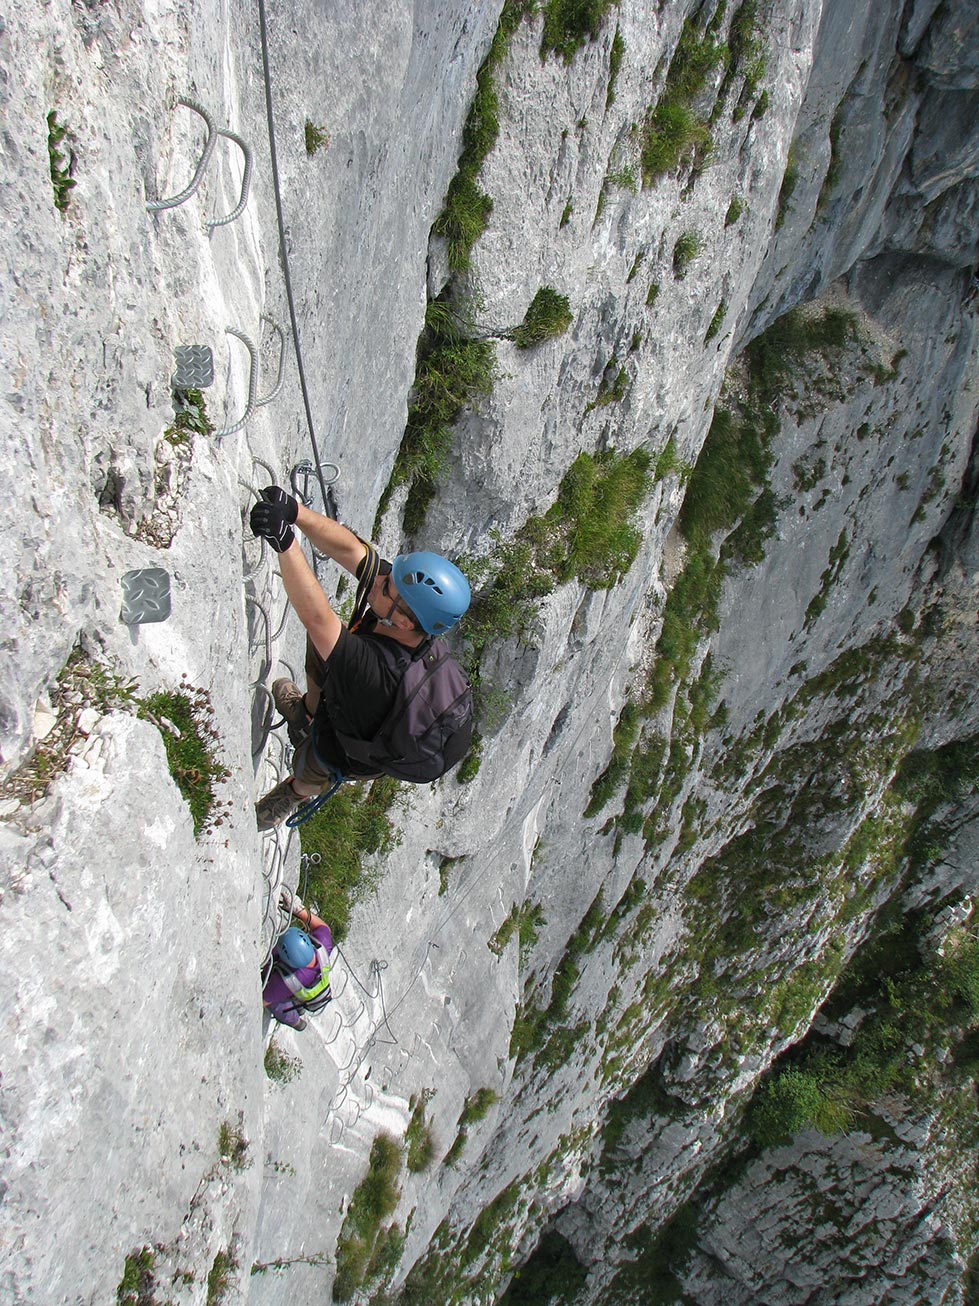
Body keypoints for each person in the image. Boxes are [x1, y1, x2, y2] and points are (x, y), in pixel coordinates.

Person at [249, 486, 471, 829]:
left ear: (403, 620)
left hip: (351, 745)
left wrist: (284, 541)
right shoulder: (408, 616)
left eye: (386, 586)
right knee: (323, 653)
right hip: (353, 694)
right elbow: (353, 551)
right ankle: (306, 711)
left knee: (313, 763)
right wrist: (294, 512)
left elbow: (317, 617)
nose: (380, 579)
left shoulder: (376, 671)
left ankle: (293, 795)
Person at [263, 900, 333, 1030]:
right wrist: (297, 910)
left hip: (300, 989)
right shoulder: (322, 945)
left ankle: (296, 1022)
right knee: (288, 994)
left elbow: (264, 1000)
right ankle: (299, 1006)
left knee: (279, 1005)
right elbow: (323, 928)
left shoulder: (285, 982)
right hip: (309, 987)